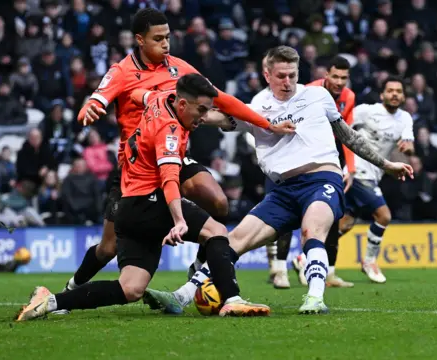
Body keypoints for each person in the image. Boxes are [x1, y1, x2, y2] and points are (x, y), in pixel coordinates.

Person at [143, 46, 413, 315]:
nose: (288, 82)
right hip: (283, 191)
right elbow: (212, 115)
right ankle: (182, 296)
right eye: (281, 76)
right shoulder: (256, 108)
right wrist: (178, 104)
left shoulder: (318, 96)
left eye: (292, 75)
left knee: (312, 230)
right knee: (233, 239)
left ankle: (315, 297)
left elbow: (348, 136)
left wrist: (386, 164)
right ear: (267, 74)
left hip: (322, 179)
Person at [61, 8, 295, 301]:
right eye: (158, 38)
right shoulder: (122, 71)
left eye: (168, 37)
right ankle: (70, 289)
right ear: (139, 40)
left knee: (218, 201)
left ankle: (199, 267)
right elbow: (98, 97)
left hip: (173, 155)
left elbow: (223, 99)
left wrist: (267, 124)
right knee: (106, 248)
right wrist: (89, 108)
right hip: (136, 169)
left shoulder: (180, 69)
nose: (166, 44)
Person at [14, 74, 271, 321]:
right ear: (182, 104)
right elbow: (170, 179)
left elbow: (138, 94)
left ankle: (50, 301)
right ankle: (232, 298)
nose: (204, 117)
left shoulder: (161, 98)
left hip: (129, 208)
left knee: (130, 289)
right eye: (201, 110)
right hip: (149, 202)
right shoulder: (169, 132)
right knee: (216, 231)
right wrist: (179, 220)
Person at [271, 55, 358, 288]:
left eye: (344, 78)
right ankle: (279, 269)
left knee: (332, 214)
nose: (339, 82)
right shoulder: (308, 92)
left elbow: (346, 134)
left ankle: (327, 271)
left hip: (329, 159)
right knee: (288, 215)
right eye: (335, 76)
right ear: (325, 75)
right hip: (298, 156)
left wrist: (349, 168)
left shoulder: (349, 97)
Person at [334, 76, 414, 283]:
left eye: (398, 91)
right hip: (357, 172)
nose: (394, 94)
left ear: (403, 96)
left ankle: (304, 259)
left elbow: (409, 143)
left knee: (345, 224)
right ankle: (369, 261)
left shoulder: (405, 118)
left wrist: (408, 148)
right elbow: (341, 128)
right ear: (382, 95)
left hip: (374, 175)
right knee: (384, 216)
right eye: (390, 90)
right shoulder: (366, 111)